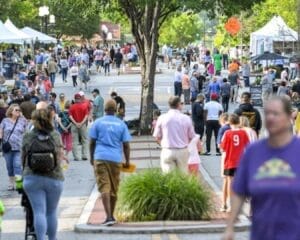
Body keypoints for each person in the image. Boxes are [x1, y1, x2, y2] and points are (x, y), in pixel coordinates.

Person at [223, 96, 300, 240]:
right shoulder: (254, 151)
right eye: (268, 113)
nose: (271, 118)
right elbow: (239, 192)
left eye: (276, 114)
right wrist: (230, 226)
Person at [22, 109, 65, 240]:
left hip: (32, 177)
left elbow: (22, 157)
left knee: (38, 211)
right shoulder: (55, 135)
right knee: (51, 212)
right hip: (54, 176)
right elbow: (60, 156)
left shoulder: (28, 136)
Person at [89, 99, 131, 226]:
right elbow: (126, 145)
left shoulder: (97, 123)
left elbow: (92, 142)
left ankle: (108, 217)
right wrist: (127, 161)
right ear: (116, 110)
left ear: (105, 110)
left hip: (100, 157)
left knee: (104, 186)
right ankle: (111, 215)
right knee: (114, 187)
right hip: (115, 158)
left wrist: (92, 157)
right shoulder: (121, 124)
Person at [153, 96, 195, 173]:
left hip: (167, 149)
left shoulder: (162, 118)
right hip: (182, 150)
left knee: (168, 177)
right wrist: (186, 143)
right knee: (183, 176)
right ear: (179, 104)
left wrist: (162, 144)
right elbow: (191, 136)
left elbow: (157, 136)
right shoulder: (186, 118)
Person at [220, 114, 249, 212]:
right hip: (240, 161)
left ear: (230, 122)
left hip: (230, 161)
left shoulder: (227, 133)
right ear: (238, 122)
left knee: (230, 183)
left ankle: (229, 204)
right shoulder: (243, 133)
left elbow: (223, 147)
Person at [0, 104, 27, 190]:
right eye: (16, 110)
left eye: (19, 110)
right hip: (8, 148)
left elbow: (28, 130)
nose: (18, 111)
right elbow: (1, 131)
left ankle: (19, 183)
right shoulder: (5, 121)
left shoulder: (22, 120)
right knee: (9, 166)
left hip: (19, 147)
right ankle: (11, 182)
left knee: (17, 165)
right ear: (11, 111)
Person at [69, 93, 89, 161]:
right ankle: (84, 155)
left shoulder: (72, 107)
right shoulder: (84, 106)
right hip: (82, 125)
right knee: (84, 140)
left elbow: (70, 116)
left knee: (74, 141)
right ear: (80, 99)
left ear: (75, 99)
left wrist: (75, 123)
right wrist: (81, 123)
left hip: (74, 125)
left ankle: (76, 156)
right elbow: (86, 116)